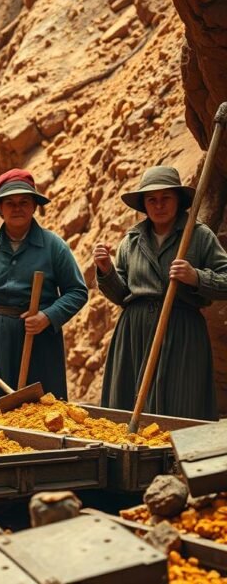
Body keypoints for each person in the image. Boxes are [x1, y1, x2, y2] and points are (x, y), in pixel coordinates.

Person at [96, 166, 227, 420]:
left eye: (166, 197)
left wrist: (196, 277)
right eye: (151, 199)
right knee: (128, 410)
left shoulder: (198, 236)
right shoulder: (131, 240)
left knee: (181, 406)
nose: (159, 205)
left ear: (178, 200)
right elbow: (121, 295)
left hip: (181, 332)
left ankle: (175, 459)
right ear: (144, 204)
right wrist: (106, 271)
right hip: (134, 334)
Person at [0, 169, 87, 405]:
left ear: (34, 206)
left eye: (24, 202)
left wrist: (47, 316)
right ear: (0, 208)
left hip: (40, 340)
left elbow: (77, 292)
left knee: (42, 411)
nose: (17, 207)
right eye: (9, 202)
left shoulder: (54, 246)